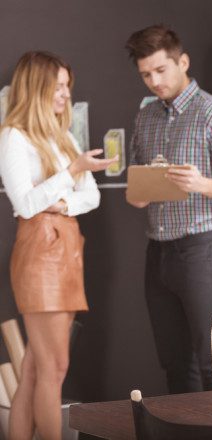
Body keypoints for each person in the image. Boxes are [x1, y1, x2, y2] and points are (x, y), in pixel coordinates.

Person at [125, 25, 212, 393]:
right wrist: (140, 192)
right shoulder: (146, 117)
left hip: (202, 250)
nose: (154, 81)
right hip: (158, 252)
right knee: (175, 364)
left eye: (161, 70)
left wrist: (200, 184)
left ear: (183, 61)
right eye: (146, 74)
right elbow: (136, 190)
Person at [0, 51, 116, 440]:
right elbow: (26, 204)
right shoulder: (14, 136)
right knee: (54, 368)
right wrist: (72, 172)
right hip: (40, 257)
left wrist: (62, 201)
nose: (66, 94)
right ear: (38, 88)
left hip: (67, 252)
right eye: (59, 86)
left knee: (35, 368)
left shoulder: (60, 135)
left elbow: (92, 197)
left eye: (68, 85)